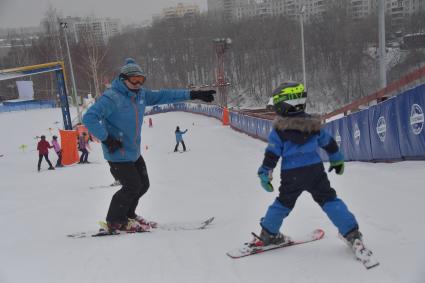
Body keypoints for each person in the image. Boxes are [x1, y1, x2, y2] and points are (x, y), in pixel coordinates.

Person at [82, 58, 215, 233]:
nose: (138, 84)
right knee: (131, 186)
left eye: (141, 80)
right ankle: (115, 221)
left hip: (133, 151)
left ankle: (128, 215)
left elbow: (165, 95)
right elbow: (89, 118)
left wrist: (194, 94)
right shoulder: (111, 98)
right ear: (123, 79)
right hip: (117, 152)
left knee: (143, 184)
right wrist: (107, 139)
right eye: (134, 80)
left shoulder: (141, 95)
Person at [254, 82, 365, 252]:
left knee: (283, 203)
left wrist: (265, 173)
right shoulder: (313, 125)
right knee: (329, 199)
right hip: (314, 170)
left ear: (284, 105)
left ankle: (268, 234)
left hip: (291, 173)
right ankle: (351, 232)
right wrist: (336, 159)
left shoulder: (278, 131)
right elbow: (329, 143)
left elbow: (272, 154)